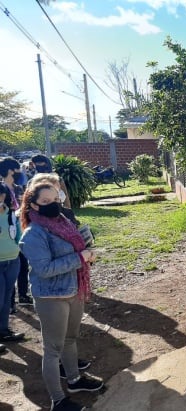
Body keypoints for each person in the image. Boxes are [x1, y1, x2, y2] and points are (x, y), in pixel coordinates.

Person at [19, 183, 103, 411]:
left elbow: (73, 251)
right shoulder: (33, 234)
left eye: (55, 198)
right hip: (51, 297)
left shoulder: (63, 223)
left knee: (70, 339)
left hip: (73, 289)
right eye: (46, 201)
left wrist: (86, 247)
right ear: (33, 205)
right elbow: (45, 269)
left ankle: (74, 381)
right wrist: (81, 257)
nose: (53, 204)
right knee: (53, 349)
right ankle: (58, 400)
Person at [0, 157, 33, 312]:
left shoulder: (19, 188)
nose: (20, 171)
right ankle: (10, 302)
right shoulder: (1, 190)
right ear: (9, 170)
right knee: (9, 269)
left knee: (23, 265)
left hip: (21, 229)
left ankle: (23, 295)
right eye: (16, 169)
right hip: (7, 233)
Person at [0, 183, 25, 351]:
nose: (0, 198)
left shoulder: (11, 214)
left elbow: (18, 235)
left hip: (13, 260)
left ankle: (3, 330)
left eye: (2, 195)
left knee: (7, 298)